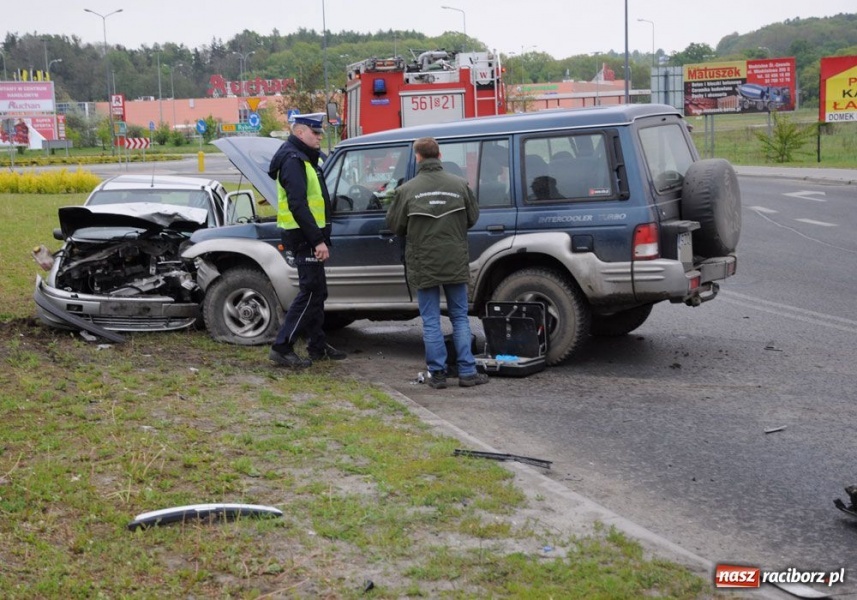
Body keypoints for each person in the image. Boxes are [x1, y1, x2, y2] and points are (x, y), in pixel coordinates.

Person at [386, 137, 489, 389]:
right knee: (460, 317)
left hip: (423, 262)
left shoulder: (406, 190)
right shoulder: (459, 185)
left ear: (418, 157)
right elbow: (472, 218)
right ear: (440, 156)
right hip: (454, 259)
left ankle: (438, 374)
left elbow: (395, 226)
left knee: (431, 320)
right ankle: (467, 372)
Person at [268, 113, 346, 368]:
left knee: (318, 291)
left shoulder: (304, 158)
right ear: (300, 132)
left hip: (309, 235)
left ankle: (316, 344)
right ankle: (282, 346)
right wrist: (317, 241)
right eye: (316, 133)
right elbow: (299, 205)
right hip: (303, 237)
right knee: (310, 291)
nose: (320, 137)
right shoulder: (293, 160)